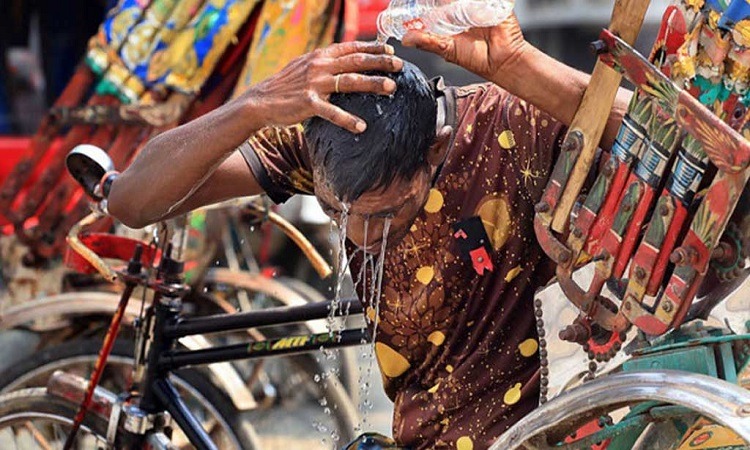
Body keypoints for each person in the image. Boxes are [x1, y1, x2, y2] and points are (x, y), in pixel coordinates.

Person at [108, 16, 631, 450]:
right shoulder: (317, 141)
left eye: (387, 214)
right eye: (338, 213)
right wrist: (254, 105)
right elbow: (132, 200)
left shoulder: (508, 127)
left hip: (546, 433)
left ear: (436, 149)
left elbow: (665, 140)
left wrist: (519, 65)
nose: (359, 236)